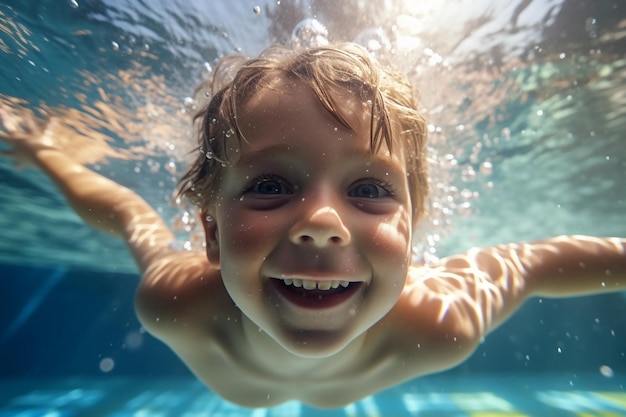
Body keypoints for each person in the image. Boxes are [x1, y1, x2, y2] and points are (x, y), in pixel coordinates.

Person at [1, 43, 624, 409]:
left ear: (413, 234)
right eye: (270, 186)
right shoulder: (175, 302)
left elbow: (535, 263)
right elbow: (129, 215)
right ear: (212, 235)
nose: (322, 223)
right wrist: (48, 155)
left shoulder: (439, 321)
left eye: (370, 190)